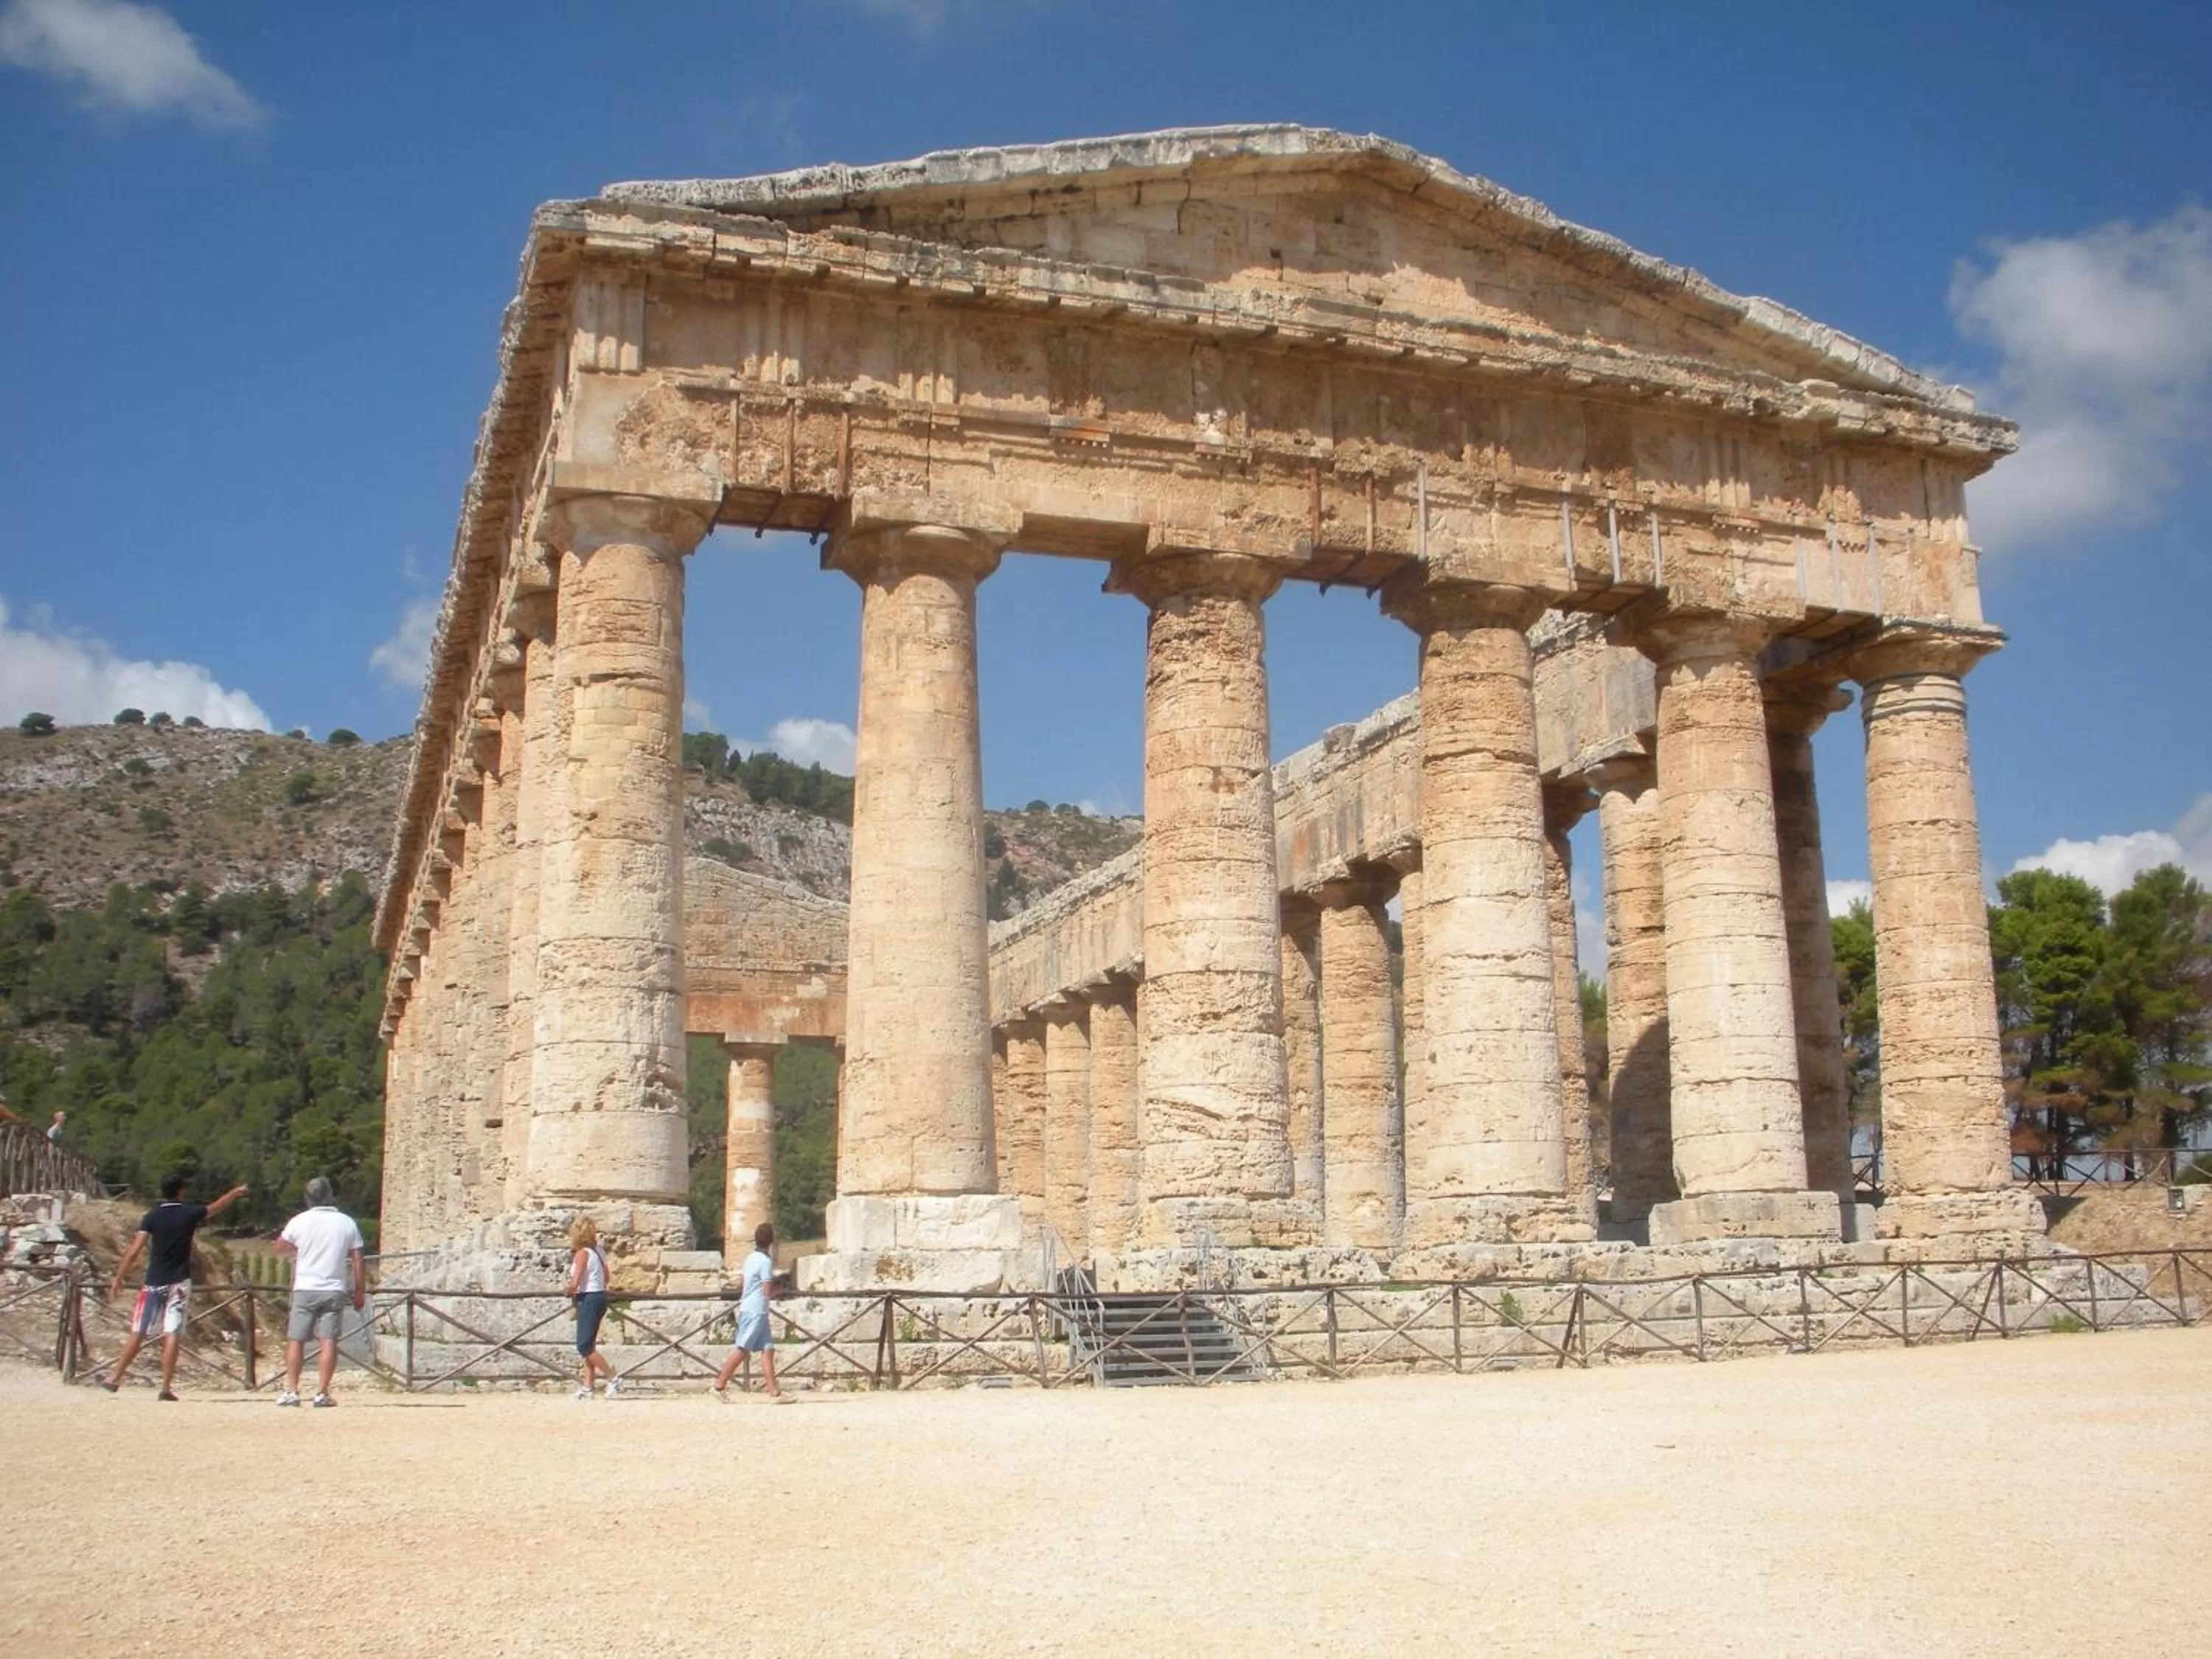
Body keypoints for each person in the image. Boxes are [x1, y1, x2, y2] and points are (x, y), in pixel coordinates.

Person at [104, 1172, 249, 1399]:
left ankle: (115, 1377)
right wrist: (234, 1193)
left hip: (154, 1280)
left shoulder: (151, 1216)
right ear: (181, 1191)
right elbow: (215, 1208)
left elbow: (135, 1250)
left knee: (139, 1330)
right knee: (172, 1332)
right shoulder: (188, 1213)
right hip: (180, 1281)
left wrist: (119, 1276)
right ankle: (166, 1387)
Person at [273, 1176, 366, 1408]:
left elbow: (279, 1246)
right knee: (329, 1341)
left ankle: (292, 1390)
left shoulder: (299, 1221)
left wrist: (300, 1246)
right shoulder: (346, 1222)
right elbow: (357, 1257)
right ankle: (322, 1392)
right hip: (334, 1288)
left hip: (305, 1286)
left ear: (307, 1198)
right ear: (330, 1196)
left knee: (296, 1340)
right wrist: (359, 1289)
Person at [712, 1222, 790, 1404]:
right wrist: (781, 1289)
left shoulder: (750, 1259)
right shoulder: (765, 1262)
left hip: (756, 1309)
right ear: (771, 1241)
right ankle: (719, 1385)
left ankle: (774, 1393)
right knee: (743, 1349)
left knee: (768, 1349)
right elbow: (767, 1290)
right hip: (755, 1310)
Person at [564, 1217, 619, 1400]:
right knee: (590, 1344)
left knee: (584, 1346)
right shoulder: (599, 1251)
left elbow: (576, 1280)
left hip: (588, 1297)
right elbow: (607, 1277)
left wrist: (569, 1290)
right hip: (600, 1296)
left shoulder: (582, 1253)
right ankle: (588, 1386)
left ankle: (612, 1377)